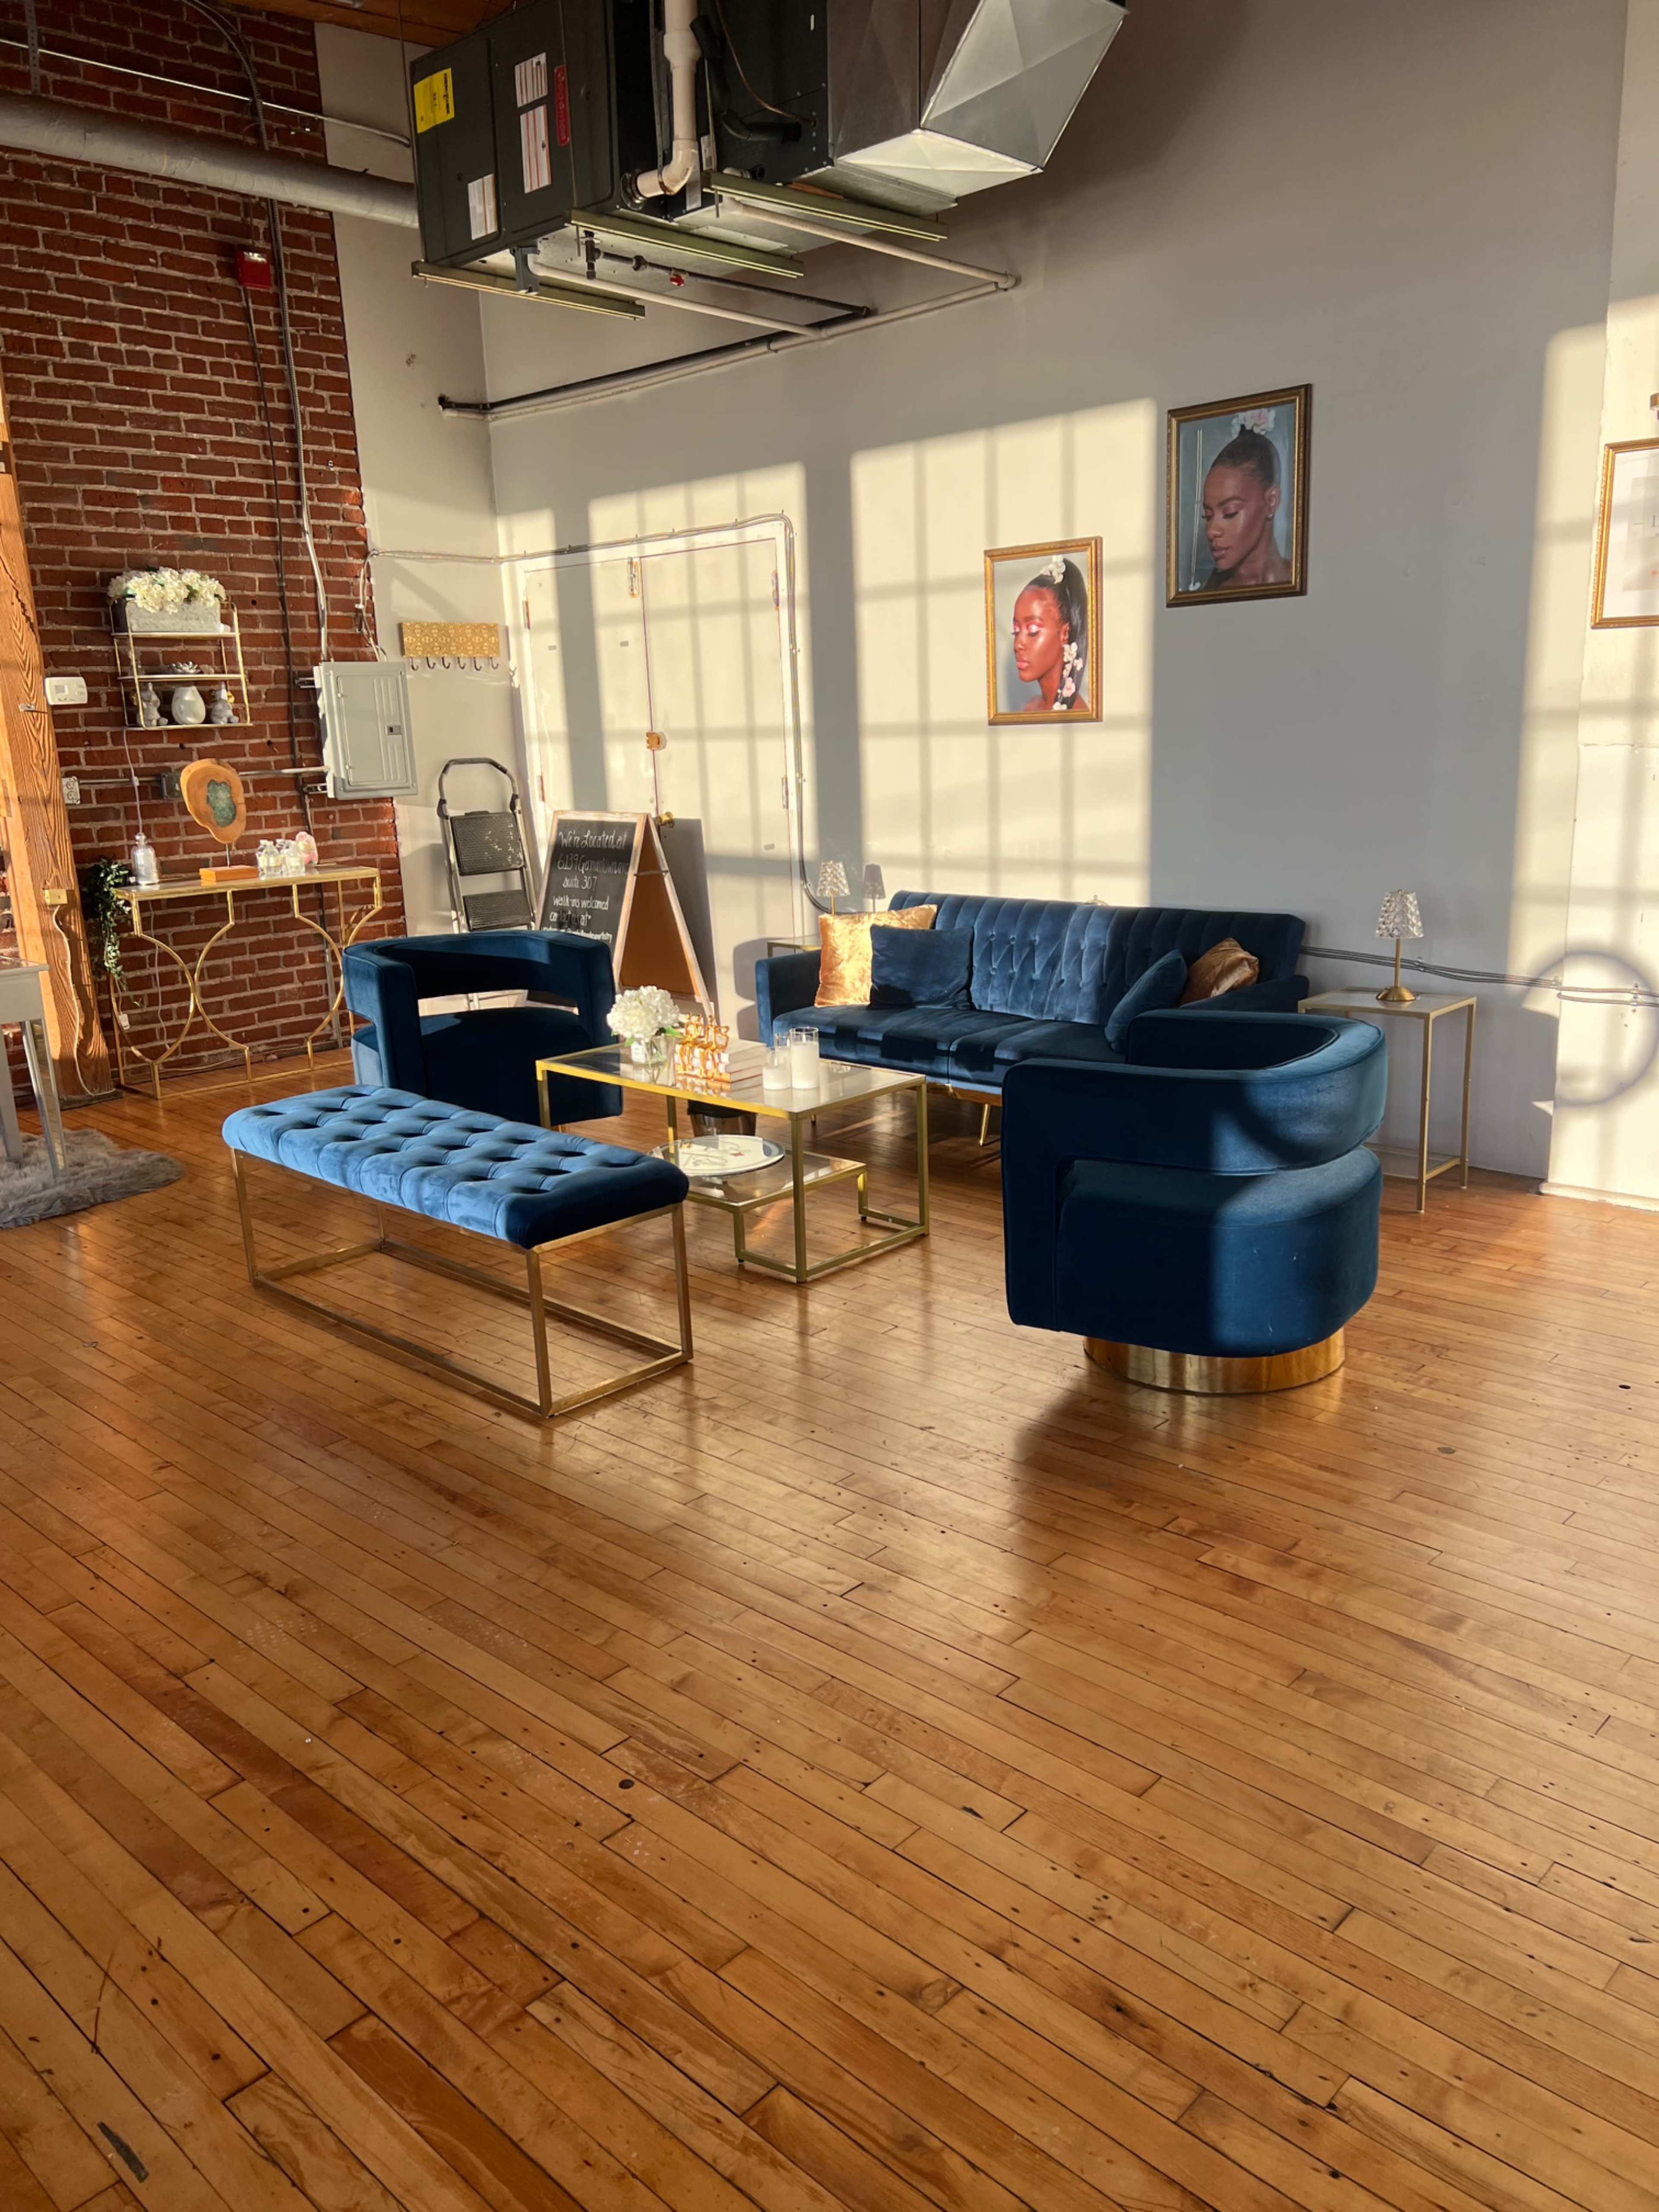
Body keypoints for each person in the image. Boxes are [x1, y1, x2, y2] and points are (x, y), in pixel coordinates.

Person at [1198, 423, 1291, 590]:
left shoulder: (1313, 580)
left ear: (1272, 501)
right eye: (1208, 516)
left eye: (1230, 513)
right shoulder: (1206, 595)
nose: (1211, 531)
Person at [1008, 555, 1090, 713]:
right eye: (1016, 631)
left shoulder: (1076, 713)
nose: (1018, 644)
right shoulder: (1031, 708)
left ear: (1065, 635)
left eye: (1032, 631)